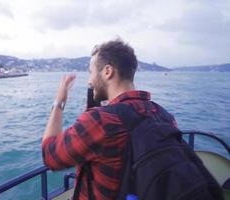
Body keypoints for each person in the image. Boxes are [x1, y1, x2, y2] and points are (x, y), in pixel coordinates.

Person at [41, 39, 222, 200]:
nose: (89, 81)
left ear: (107, 72)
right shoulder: (163, 114)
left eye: (91, 72)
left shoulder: (101, 120)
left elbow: (50, 155)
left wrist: (60, 100)